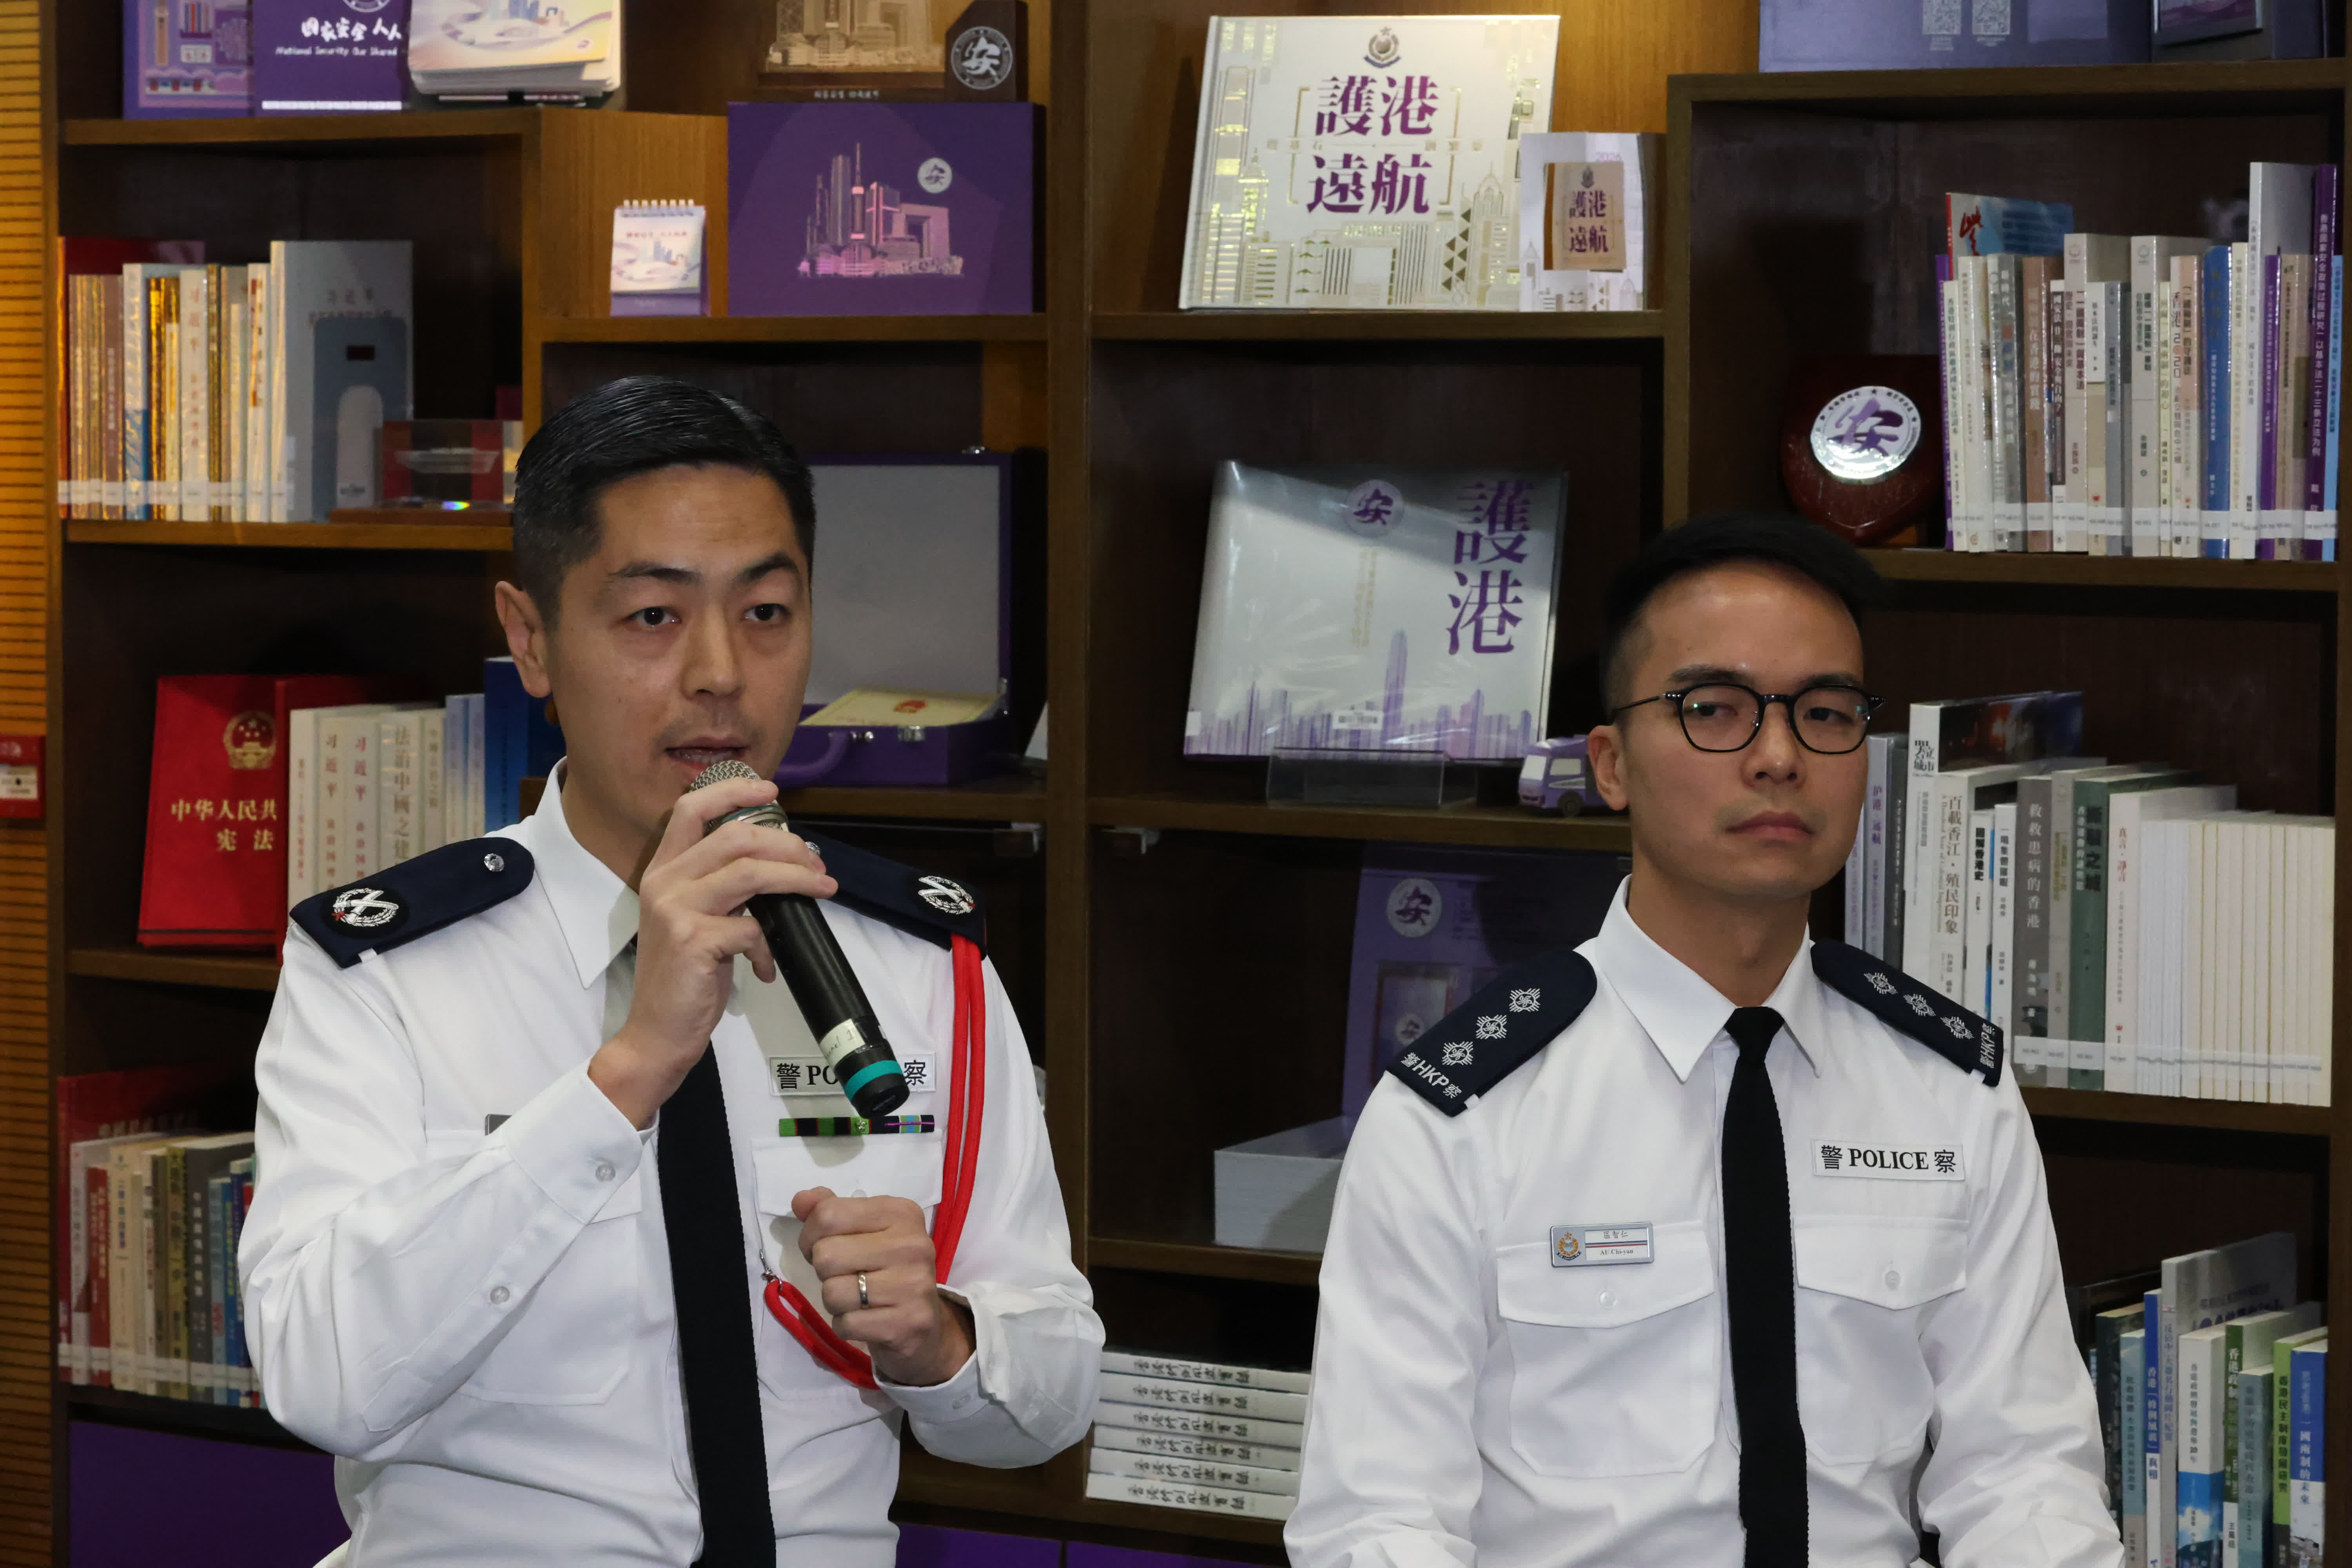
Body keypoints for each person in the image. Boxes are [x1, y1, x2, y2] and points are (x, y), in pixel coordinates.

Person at [240, 376, 1100, 1567]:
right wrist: (628, 1073)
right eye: (653, 616)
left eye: (766, 613)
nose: (720, 673)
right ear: (532, 638)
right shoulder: (386, 969)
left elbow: (1054, 1395)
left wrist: (943, 1344)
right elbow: (319, 1377)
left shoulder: (917, 963)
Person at [1286, 514, 2121, 1568]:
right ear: (1612, 764)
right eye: (1714, 709)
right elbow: (1378, 1520)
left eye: (1826, 713)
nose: (1778, 757)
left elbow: (2024, 1475)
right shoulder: (1464, 1109)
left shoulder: (1948, 1085)